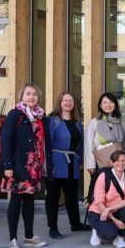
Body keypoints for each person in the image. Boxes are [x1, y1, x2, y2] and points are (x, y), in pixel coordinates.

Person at [0, 83, 49, 248]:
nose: (31, 97)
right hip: (17, 164)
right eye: (28, 94)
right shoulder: (15, 114)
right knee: (15, 200)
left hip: (33, 166)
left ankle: (29, 237)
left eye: (35, 94)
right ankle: (12, 239)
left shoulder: (39, 116)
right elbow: (5, 140)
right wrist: (7, 165)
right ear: (22, 96)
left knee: (29, 201)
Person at [43, 91, 84, 239]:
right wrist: (48, 164)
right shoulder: (52, 120)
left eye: (71, 100)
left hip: (72, 163)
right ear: (59, 102)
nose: (68, 103)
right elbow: (46, 144)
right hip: (55, 162)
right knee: (53, 197)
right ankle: (52, 228)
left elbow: (80, 144)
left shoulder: (77, 123)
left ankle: (76, 224)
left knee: (72, 196)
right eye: (65, 100)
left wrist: (80, 161)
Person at [88, 150, 125, 248]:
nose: (121, 163)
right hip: (98, 212)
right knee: (109, 234)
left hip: (113, 210)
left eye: (123, 161)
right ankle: (96, 230)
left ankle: (120, 238)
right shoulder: (103, 176)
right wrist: (114, 220)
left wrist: (109, 209)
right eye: (117, 161)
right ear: (111, 162)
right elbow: (99, 202)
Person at [84, 92, 125, 174]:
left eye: (111, 102)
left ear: (115, 104)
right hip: (101, 162)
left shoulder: (121, 122)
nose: (108, 105)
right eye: (105, 102)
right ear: (100, 106)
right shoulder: (94, 122)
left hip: (119, 163)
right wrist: (91, 165)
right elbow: (89, 145)